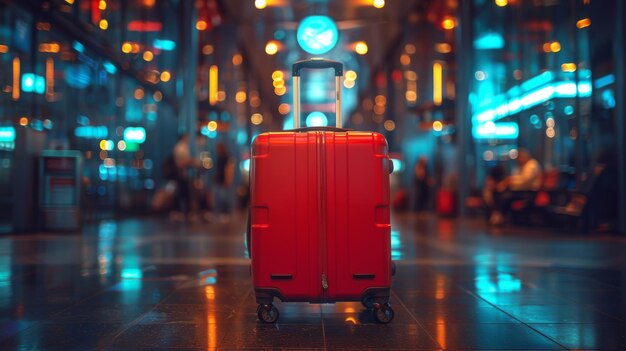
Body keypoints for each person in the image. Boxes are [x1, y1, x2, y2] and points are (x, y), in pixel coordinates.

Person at [489, 148, 542, 225]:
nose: (517, 161)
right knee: (498, 192)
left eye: (518, 158)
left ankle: (499, 215)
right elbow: (516, 177)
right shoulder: (522, 166)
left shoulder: (532, 165)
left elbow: (525, 181)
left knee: (504, 196)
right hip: (520, 190)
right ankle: (497, 214)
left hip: (529, 192)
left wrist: (509, 181)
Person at [213, 142, 235, 223]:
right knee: (221, 197)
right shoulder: (221, 157)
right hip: (220, 179)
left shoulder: (224, 157)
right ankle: (223, 213)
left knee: (224, 197)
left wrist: (227, 179)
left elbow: (227, 169)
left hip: (223, 179)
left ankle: (225, 213)